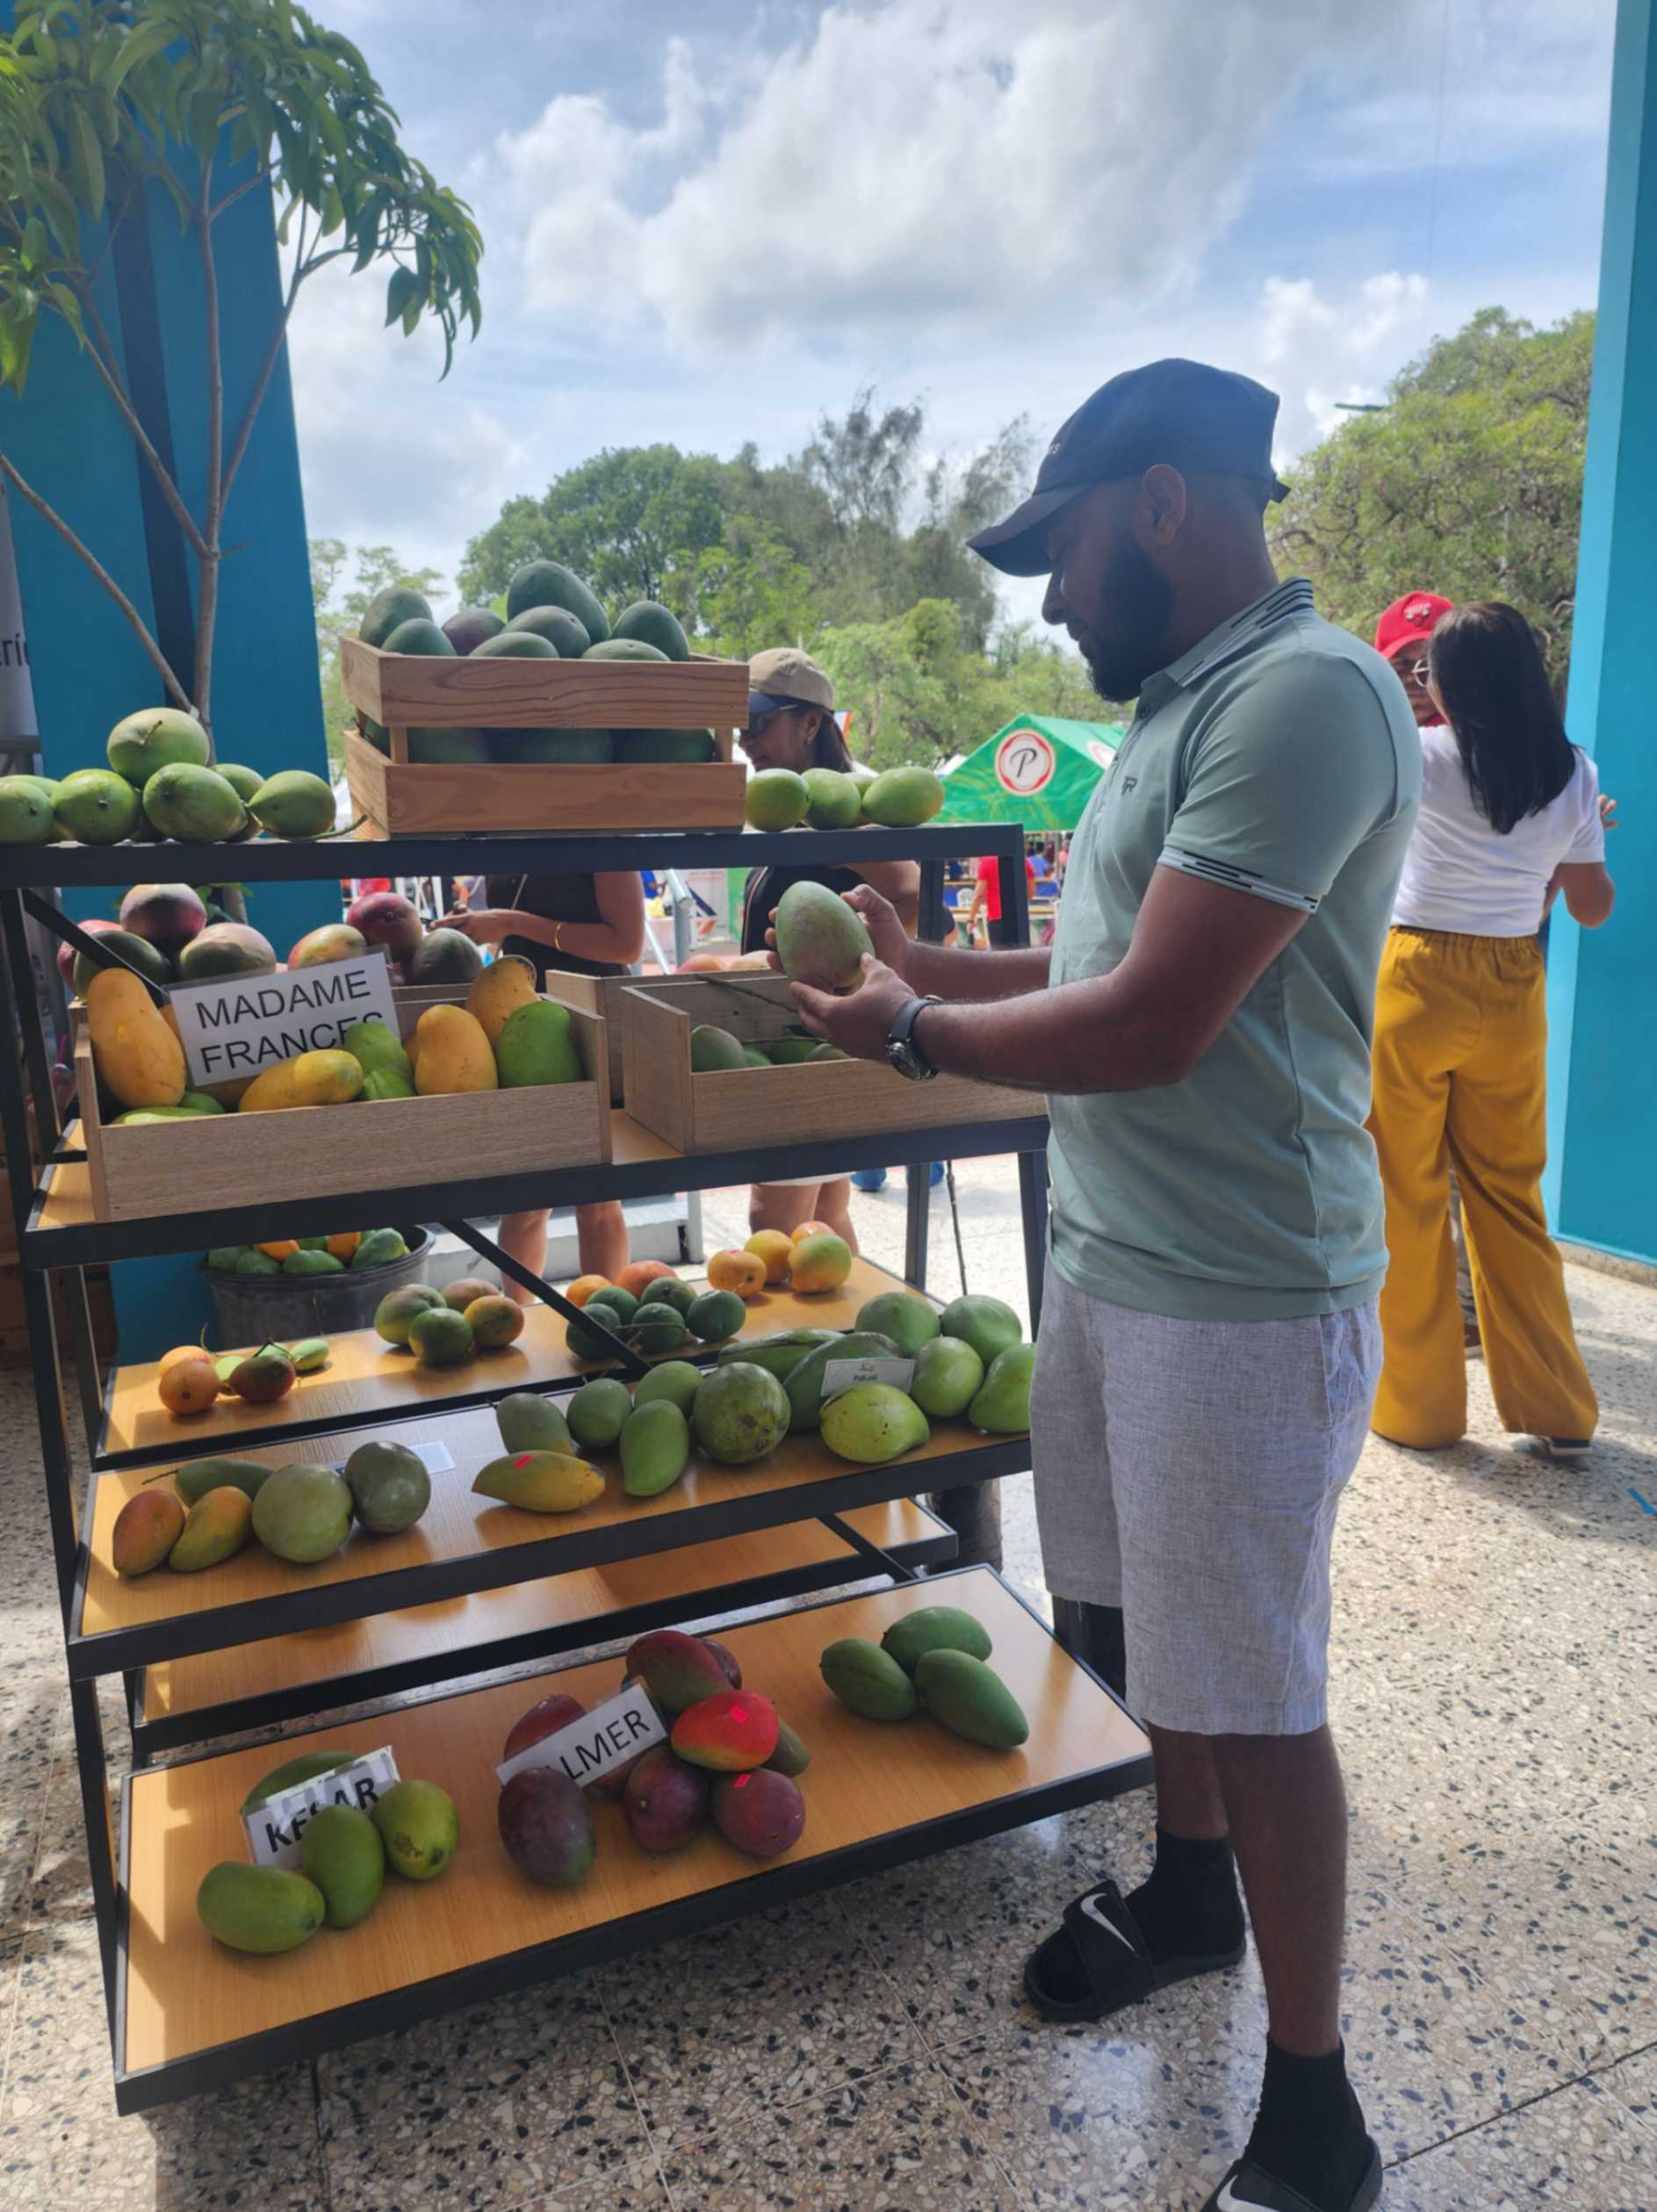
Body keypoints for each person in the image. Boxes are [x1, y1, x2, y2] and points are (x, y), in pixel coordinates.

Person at [781, 358, 1420, 2212]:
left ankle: (1315, 2102)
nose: (1050, 599)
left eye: (1056, 553)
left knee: (1261, 1685)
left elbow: (1149, 1024)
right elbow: (1089, 971)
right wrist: (926, 964)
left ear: (1159, 503)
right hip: (1117, 1265)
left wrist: (908, 1033)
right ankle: (1189, 1888)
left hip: (1241, 1294)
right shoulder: (1172, 708)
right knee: (1152, 1633)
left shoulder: (1304, 694)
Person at [1367, 601, 1613, 1458]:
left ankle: (1420, 1410)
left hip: (1414, 979)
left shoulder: (1417, 754)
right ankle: (1558, 1410)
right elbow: (1590, 906)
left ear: (1453, 682)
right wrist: (1558, 856)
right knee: (1510, 1194)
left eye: (1426, 669)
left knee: (1406, 1191)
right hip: (1511, 986)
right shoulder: (1572, 773)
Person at [737, 646, 919, 1250]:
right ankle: (857, 1312)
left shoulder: (842, 806)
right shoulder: (787, 806)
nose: (745, 741)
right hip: (808, 1037)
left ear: (811, 722)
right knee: (825, 1214)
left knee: (774, 1222)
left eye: (759, 723)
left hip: (813, 1040)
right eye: (739, 728)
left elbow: (911, 892)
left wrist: (858, 970)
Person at [437, 871, 647, 1291]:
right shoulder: (501, 841)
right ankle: (518, 1317)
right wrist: (479, 925)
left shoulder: (598, 838)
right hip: (518, 1021)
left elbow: (627, 944)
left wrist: (510, 922)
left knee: (598, 1196)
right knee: (525, 1199)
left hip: (595, 1017)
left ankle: (605, 1316)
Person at [964, 848, 1039, 947]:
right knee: (1020, 954)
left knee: (999, 955)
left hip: (996, 920)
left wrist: (971, 919)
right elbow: (1031, 892)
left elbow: (978, 895)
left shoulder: (987, 861)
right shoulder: (1023, 861)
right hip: (1019, 919)